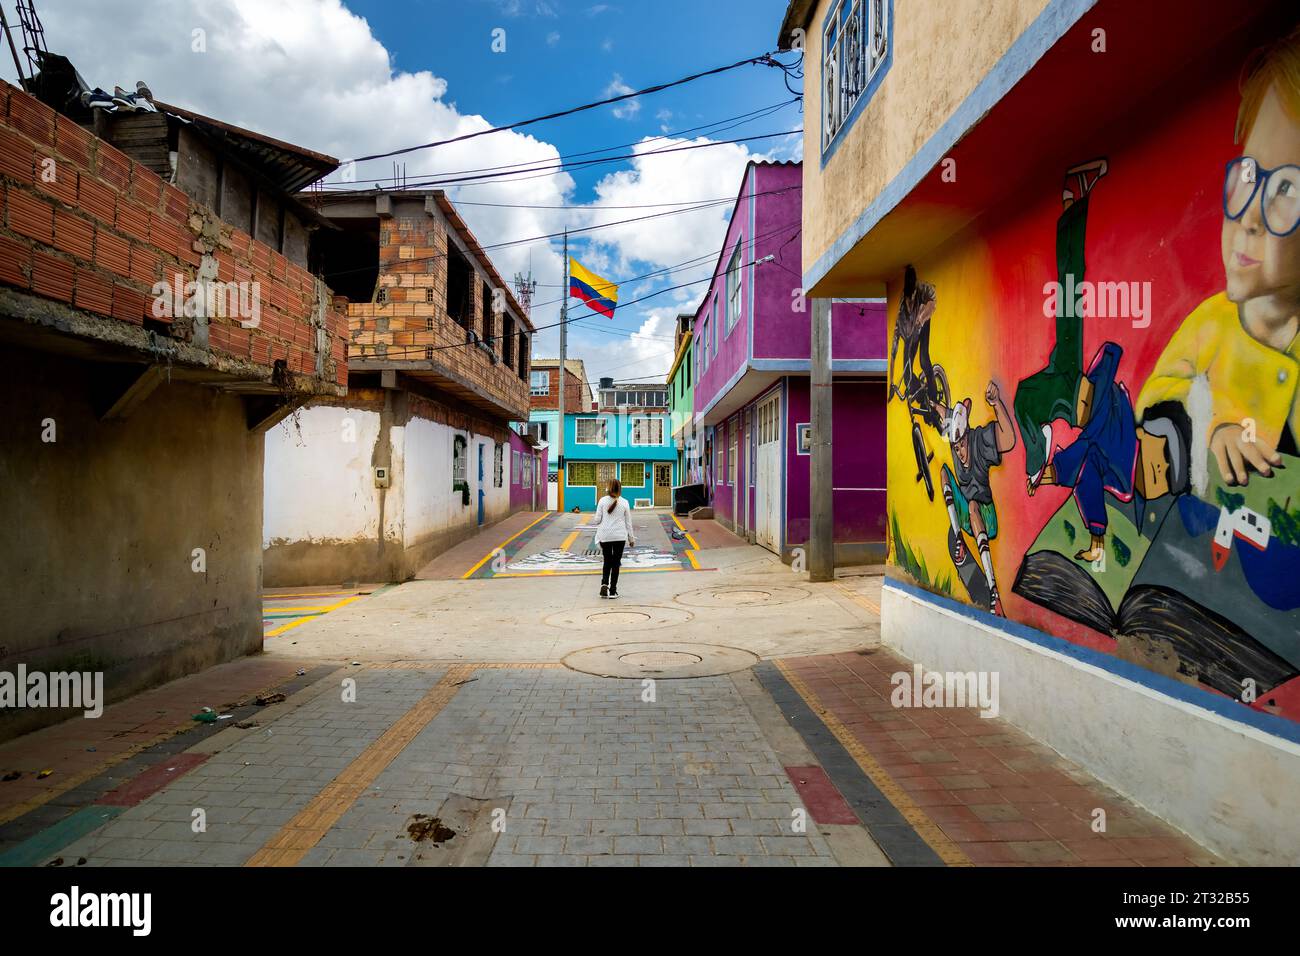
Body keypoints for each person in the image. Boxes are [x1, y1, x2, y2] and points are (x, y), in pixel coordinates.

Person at [593, 478, 635, 599]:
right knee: (616, 563)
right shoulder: (625, 502)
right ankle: (612, 591)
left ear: (608, 488)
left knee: (607, 561)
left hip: (604, 536)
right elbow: (628, 523)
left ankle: (604, 583)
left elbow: (596, 520)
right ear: (619, 489)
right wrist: (631, 538)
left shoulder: (602, 501)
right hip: (619, 536)